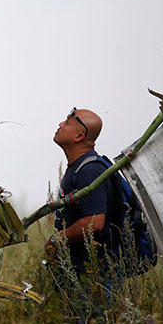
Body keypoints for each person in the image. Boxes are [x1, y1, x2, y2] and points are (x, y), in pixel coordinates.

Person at [46, 107, 120, 275]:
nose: (60, 124)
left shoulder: (89, 170)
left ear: (79, 136)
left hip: (94, 273)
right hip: (79, 268)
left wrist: (56, 239)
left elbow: (94, 222)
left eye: (67, 122)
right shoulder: (78, 167)